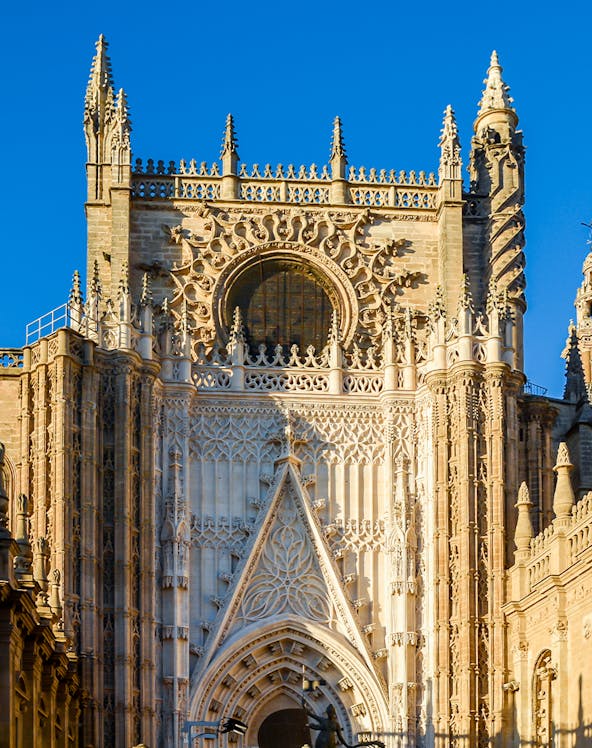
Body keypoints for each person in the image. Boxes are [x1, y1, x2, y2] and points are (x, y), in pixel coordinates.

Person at [302, 701, 384, 748]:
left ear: (333, 713)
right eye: (329, 712)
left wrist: (347, 745)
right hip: (321, 742)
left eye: (331, 712)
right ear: (327, 713)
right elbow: (310, 714)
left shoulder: (336, 724)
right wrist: (304, 705)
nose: (330, 714)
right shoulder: (323, 720)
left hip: (331, 742)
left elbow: (340, 737)